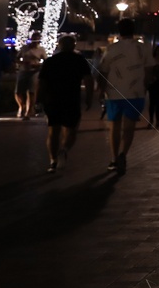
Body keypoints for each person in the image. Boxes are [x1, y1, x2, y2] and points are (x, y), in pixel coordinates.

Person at [97, 18, 150, 174]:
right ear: (133, 30)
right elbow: (149, 71)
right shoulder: (144, 48)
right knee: (129, 127)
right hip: (136, 92)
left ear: (119, 31)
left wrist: (101, 89)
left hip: (114, 92)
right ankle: (123, 154)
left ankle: (113, 158)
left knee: (114, 126)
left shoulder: (111, 48)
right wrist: (145, 86)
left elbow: (103, 71)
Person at [39, 35, 93, 172]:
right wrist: (89, 97)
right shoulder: (79, 60)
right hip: (71, 99)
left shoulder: (50, 61)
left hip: (52, 99)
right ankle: (64, 150)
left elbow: (41, 82)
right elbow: (88, 79)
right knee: (71, 130)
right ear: (74, 45)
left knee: (53, 131)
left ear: (59, 45)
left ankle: (53, 161)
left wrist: (38, 100)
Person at [14, 32, 47, 119]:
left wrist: (38, 65)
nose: (35, 42)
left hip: (34, 72)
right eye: (33, 39)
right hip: (23, 70)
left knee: (31, 91)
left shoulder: (41, 50)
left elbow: (46, 61)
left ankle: (29, 111)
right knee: (18, 91)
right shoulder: (25, 48)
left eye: (37, 40)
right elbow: (17, 58)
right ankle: (22, 106)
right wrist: (22, 63)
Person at [145, 48, 159, 128]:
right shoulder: (152, 61)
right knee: (152, 102)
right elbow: (148, 71)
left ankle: (158, 120)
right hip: (153, 82)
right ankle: (151, 119)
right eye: (158, 51)